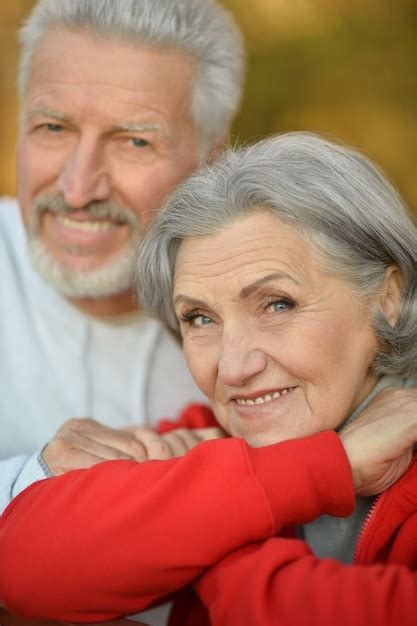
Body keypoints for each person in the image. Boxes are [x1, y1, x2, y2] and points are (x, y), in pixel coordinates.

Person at [1, 132, 417, 626]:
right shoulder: (206, 438)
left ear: (386, 297)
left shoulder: (200, 468)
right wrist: (333, 467)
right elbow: (22, 564)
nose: (234, 367)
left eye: (277, 304)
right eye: (200, 318)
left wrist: (204, 539)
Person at [0, 0, 245, 516]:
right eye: (53, 128)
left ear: (211, 164)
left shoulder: (266, 331)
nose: (77, 188)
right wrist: (32, 483)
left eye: (133, 140)